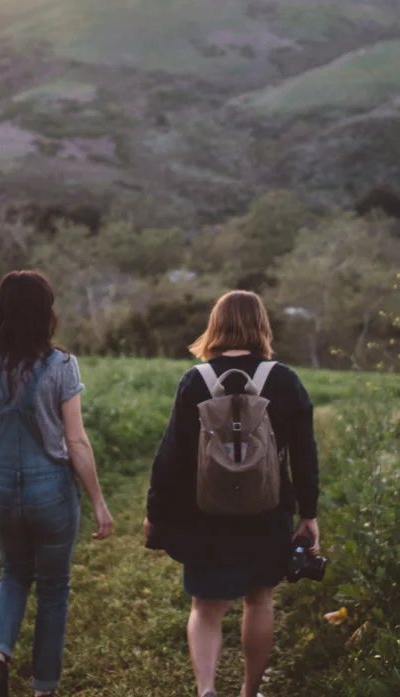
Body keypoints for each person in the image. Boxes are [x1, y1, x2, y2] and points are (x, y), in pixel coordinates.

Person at [144, 290, 320, 697]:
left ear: (216, 324)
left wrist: (156, 511)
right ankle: (248, 691)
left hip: (204, 513)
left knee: (206, 607)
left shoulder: (196, 380)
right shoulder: (284, 379)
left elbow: (170, 454)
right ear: (261, 325)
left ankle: (206, 691)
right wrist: (308, 514)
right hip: (268, 509)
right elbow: (304, 454)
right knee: (259, 601)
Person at [0, 270, 114, 697]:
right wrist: (99, 502)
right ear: (45, 313)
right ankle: (43, 688)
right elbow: (76, 441)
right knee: (52, 589)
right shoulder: (61, 365)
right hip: (51, 490)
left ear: (1, 311)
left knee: (13, 574)